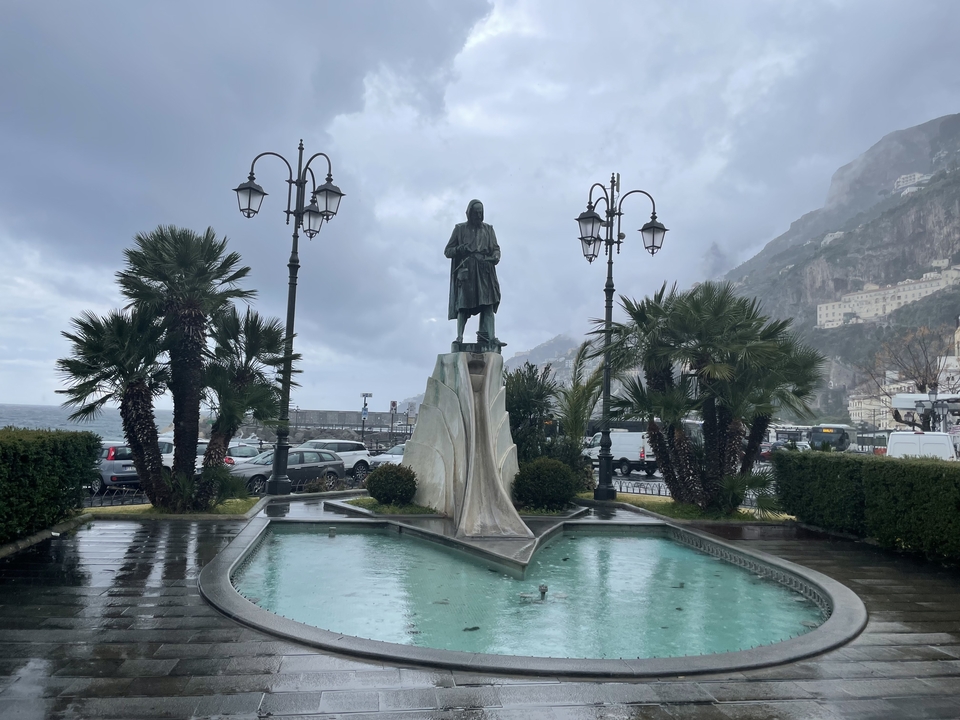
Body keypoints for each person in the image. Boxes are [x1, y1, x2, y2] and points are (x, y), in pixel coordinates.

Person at [445, 199, 504, 351]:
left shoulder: (489, 229)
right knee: (463, 305)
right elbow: (448, 251)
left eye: (481, 213)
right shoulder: (459, 229)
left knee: (488, 305)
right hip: (468, 271)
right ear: (469, 213)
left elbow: (496, 249)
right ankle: (459, 337)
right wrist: (460, 249)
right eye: (476, 213)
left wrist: (496, 256)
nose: (478, 216)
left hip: (485, 270)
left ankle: (489, 337)